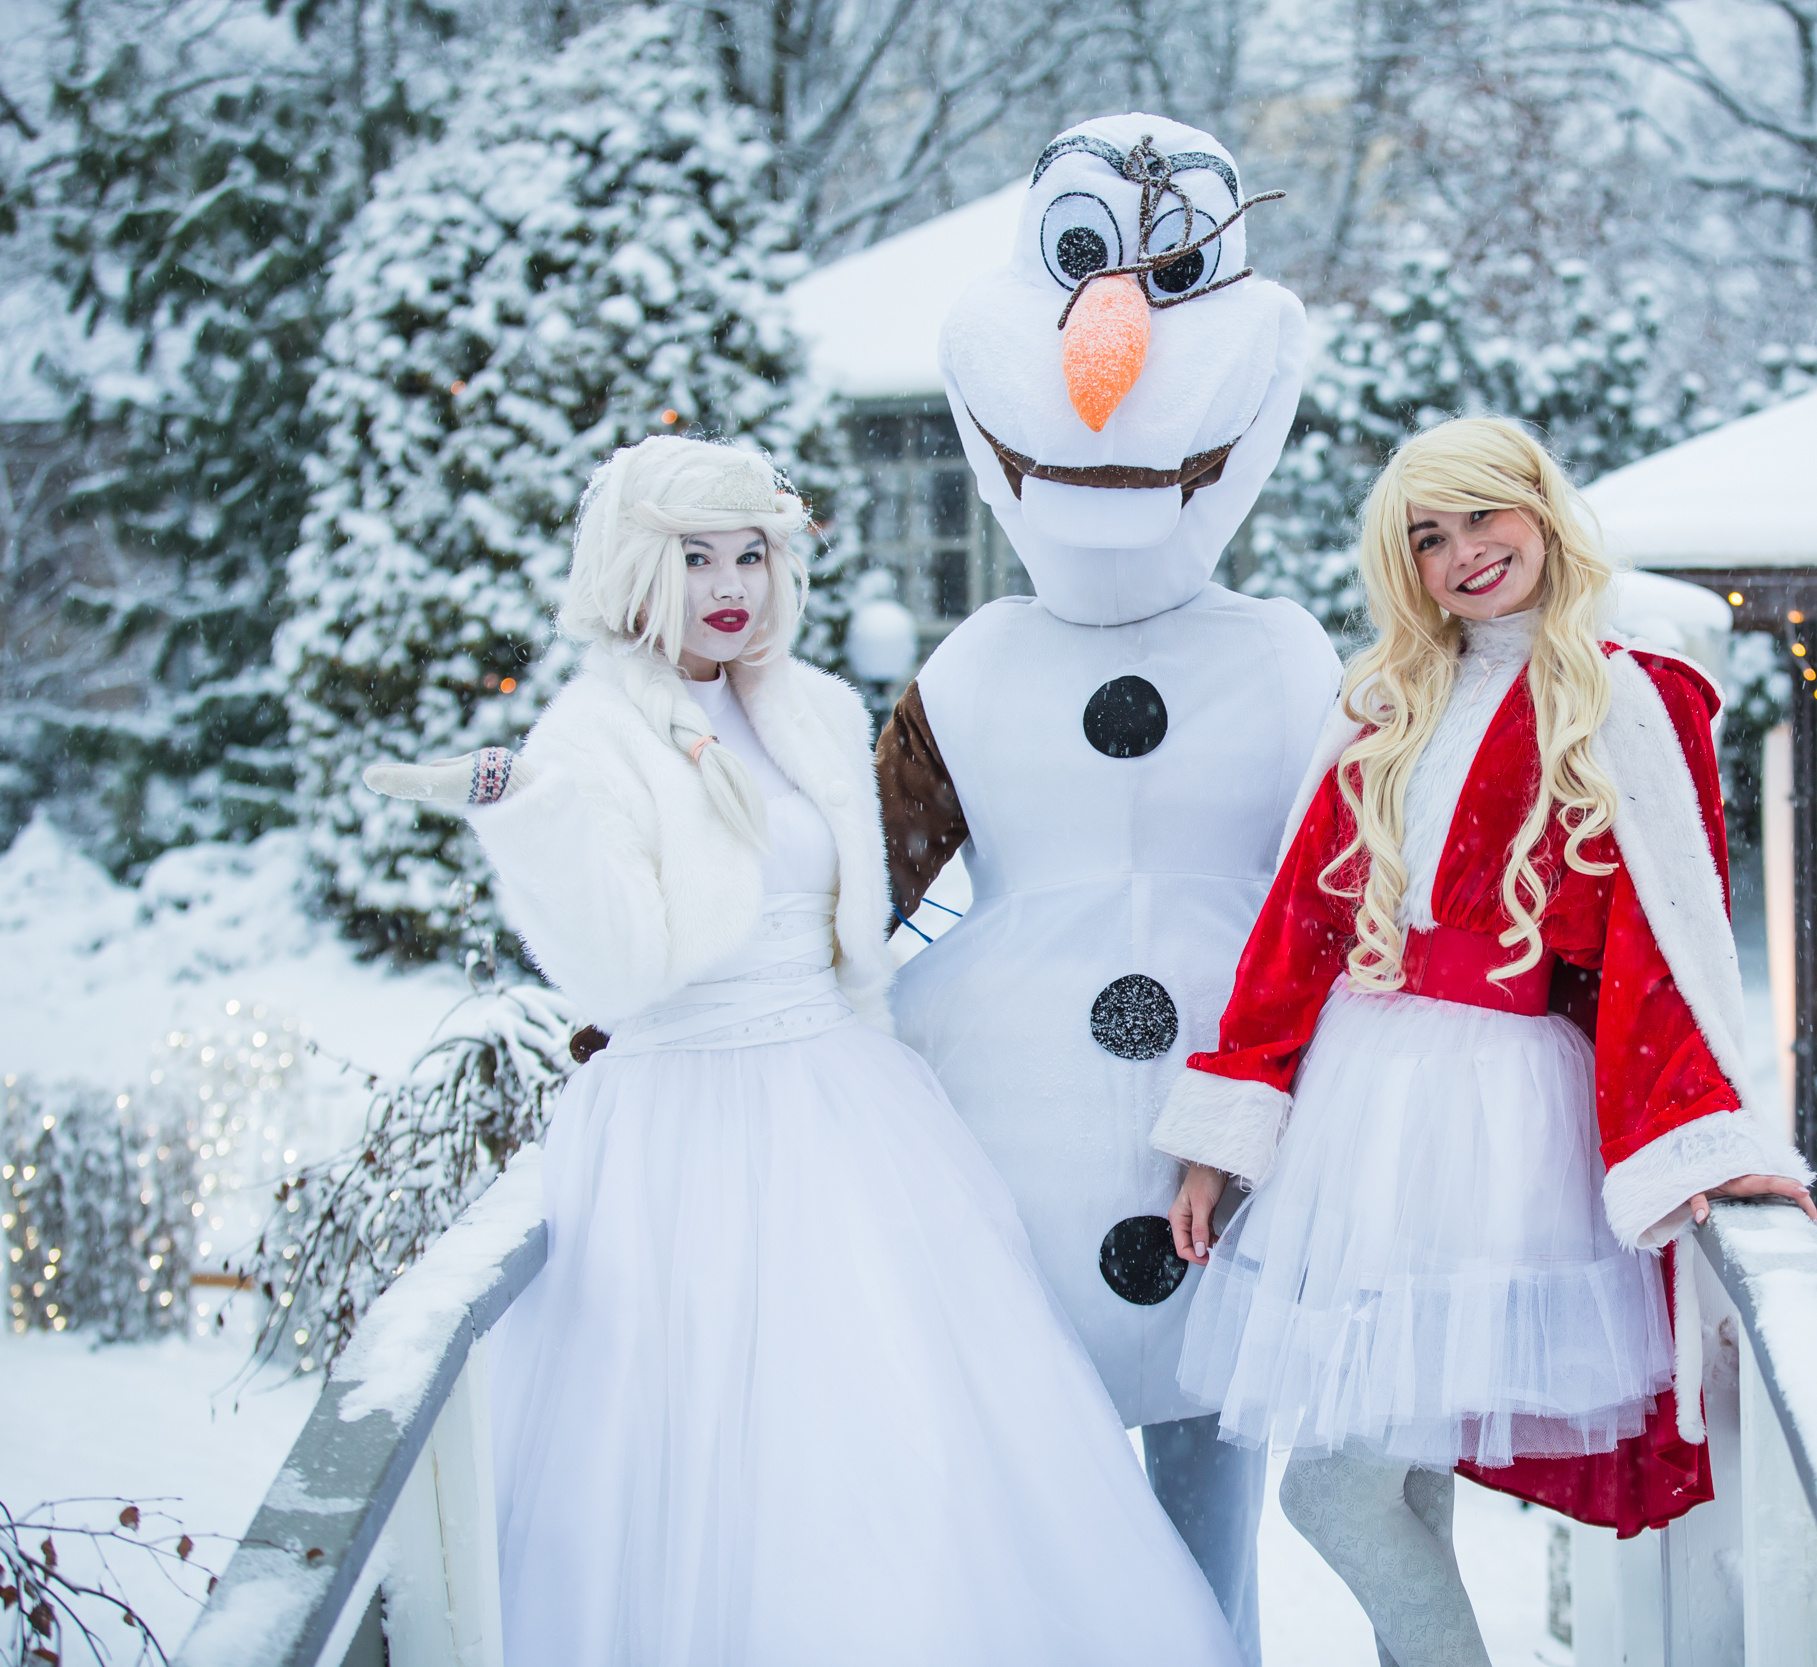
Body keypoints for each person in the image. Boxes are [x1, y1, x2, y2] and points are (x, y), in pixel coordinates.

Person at [361, 434, 1244, 1667]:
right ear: (633, 566)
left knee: (896, 1415)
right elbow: (618, 964)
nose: (732, 583)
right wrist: (535, 817)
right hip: (687, 1111)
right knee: (708, 1431)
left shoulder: (817, 708)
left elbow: (864, 906)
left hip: (841, 1096)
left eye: (753, 553)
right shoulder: (593, 733)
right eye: (696, 557)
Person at [1150, 418, 1816, 1667]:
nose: (1464, 554)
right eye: (1428, 536)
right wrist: (1223, 1135)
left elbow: (1667, 947)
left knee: (1331, 1490)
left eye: (1484, 518)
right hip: (1357, 1115)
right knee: (1397, 1483)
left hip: (1494, 1126)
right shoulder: (1386, 700)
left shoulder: (1627, 696)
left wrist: (1702, 1133)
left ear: (1542, 510)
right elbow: (1297, 926)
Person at [878, 112, 1341, 1663]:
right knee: (1034, 1505)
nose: (1110, 347)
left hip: (1226, 1145)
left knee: (1212, 1494)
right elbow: (849, 894)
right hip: (1002, 1161)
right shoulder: (970, 665)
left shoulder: (1286, 657)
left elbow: (1359, 888)